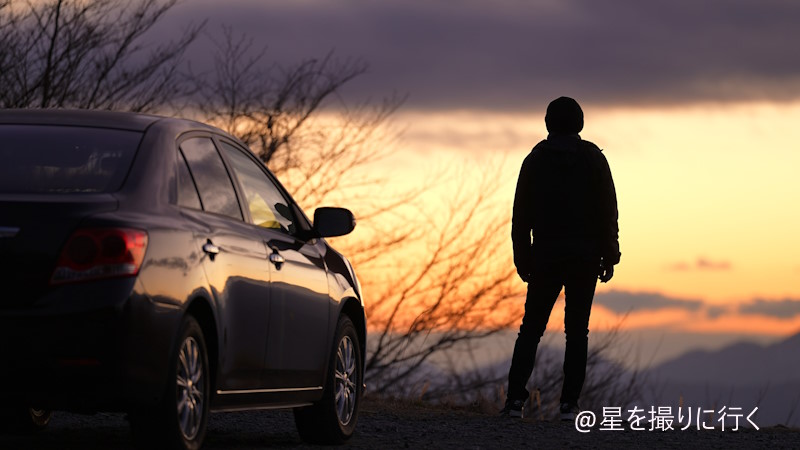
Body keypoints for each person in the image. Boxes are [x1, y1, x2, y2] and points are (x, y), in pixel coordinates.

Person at [500, 96, 620, 420]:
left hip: (545, 256)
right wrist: (610, 254)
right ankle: (570, 404)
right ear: (579, 123)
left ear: (549, 123)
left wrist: (522, 258)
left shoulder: (535, 160)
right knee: (577, 331)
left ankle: (514, 401)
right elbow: (608, 211)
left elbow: (520, 216)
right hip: (584, 258)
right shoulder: (593, 158)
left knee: (531, 329)